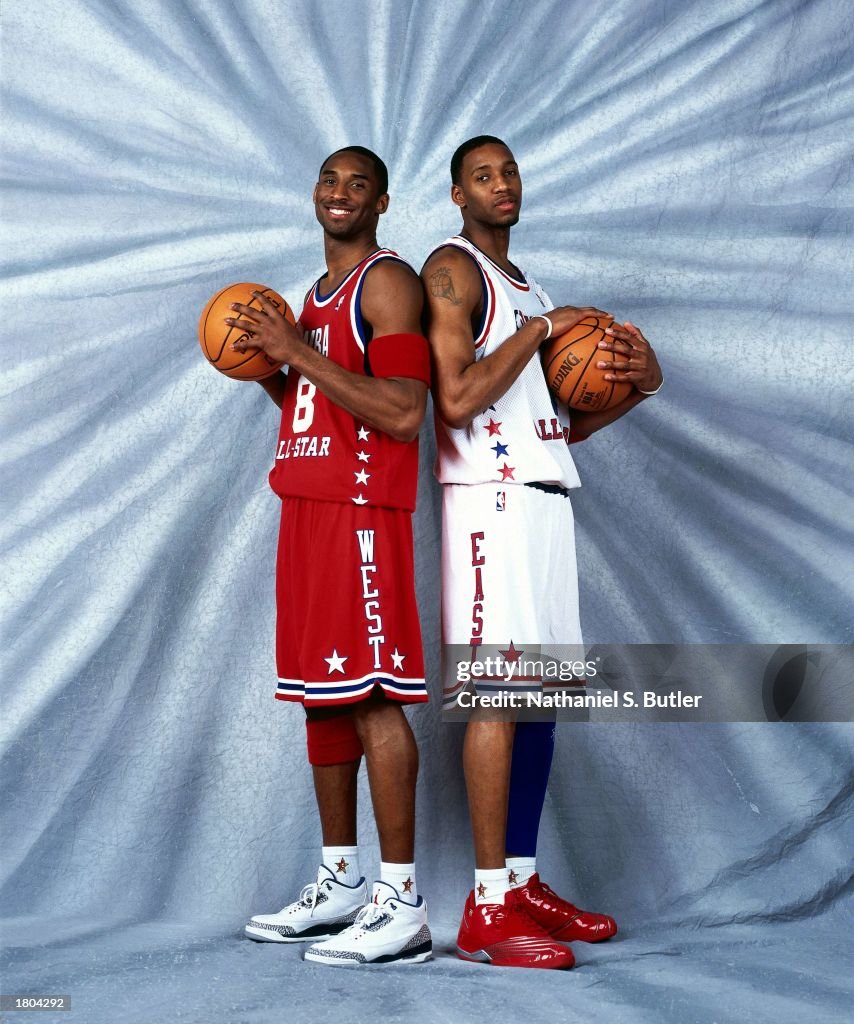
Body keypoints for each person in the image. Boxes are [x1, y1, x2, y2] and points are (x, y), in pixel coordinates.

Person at [421, 135, 663, 969]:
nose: (501, 184)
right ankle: (487, 906)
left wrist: (644, 382)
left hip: (545, 497)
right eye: (483, 176)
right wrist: (541, 332)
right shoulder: (451, 271)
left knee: (541, 701)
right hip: (490, 504)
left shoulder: (533, 290)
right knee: (495, 696)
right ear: (458, 195)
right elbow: (454, 400)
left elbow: (567, 427)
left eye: (509, 171)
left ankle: (521, 881)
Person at [226, 146, 432, 967]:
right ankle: (341, 881)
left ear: (381, 201)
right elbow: (323, 394)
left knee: (375, 697)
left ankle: (403, 902)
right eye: (328, 180)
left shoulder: (385, 282)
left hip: (360, 512)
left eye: (357, 184)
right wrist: (268, 369)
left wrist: (297, 349)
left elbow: (404, 411)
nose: (339, 193)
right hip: (306, 507)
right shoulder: (307, 300)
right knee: (324, 696)